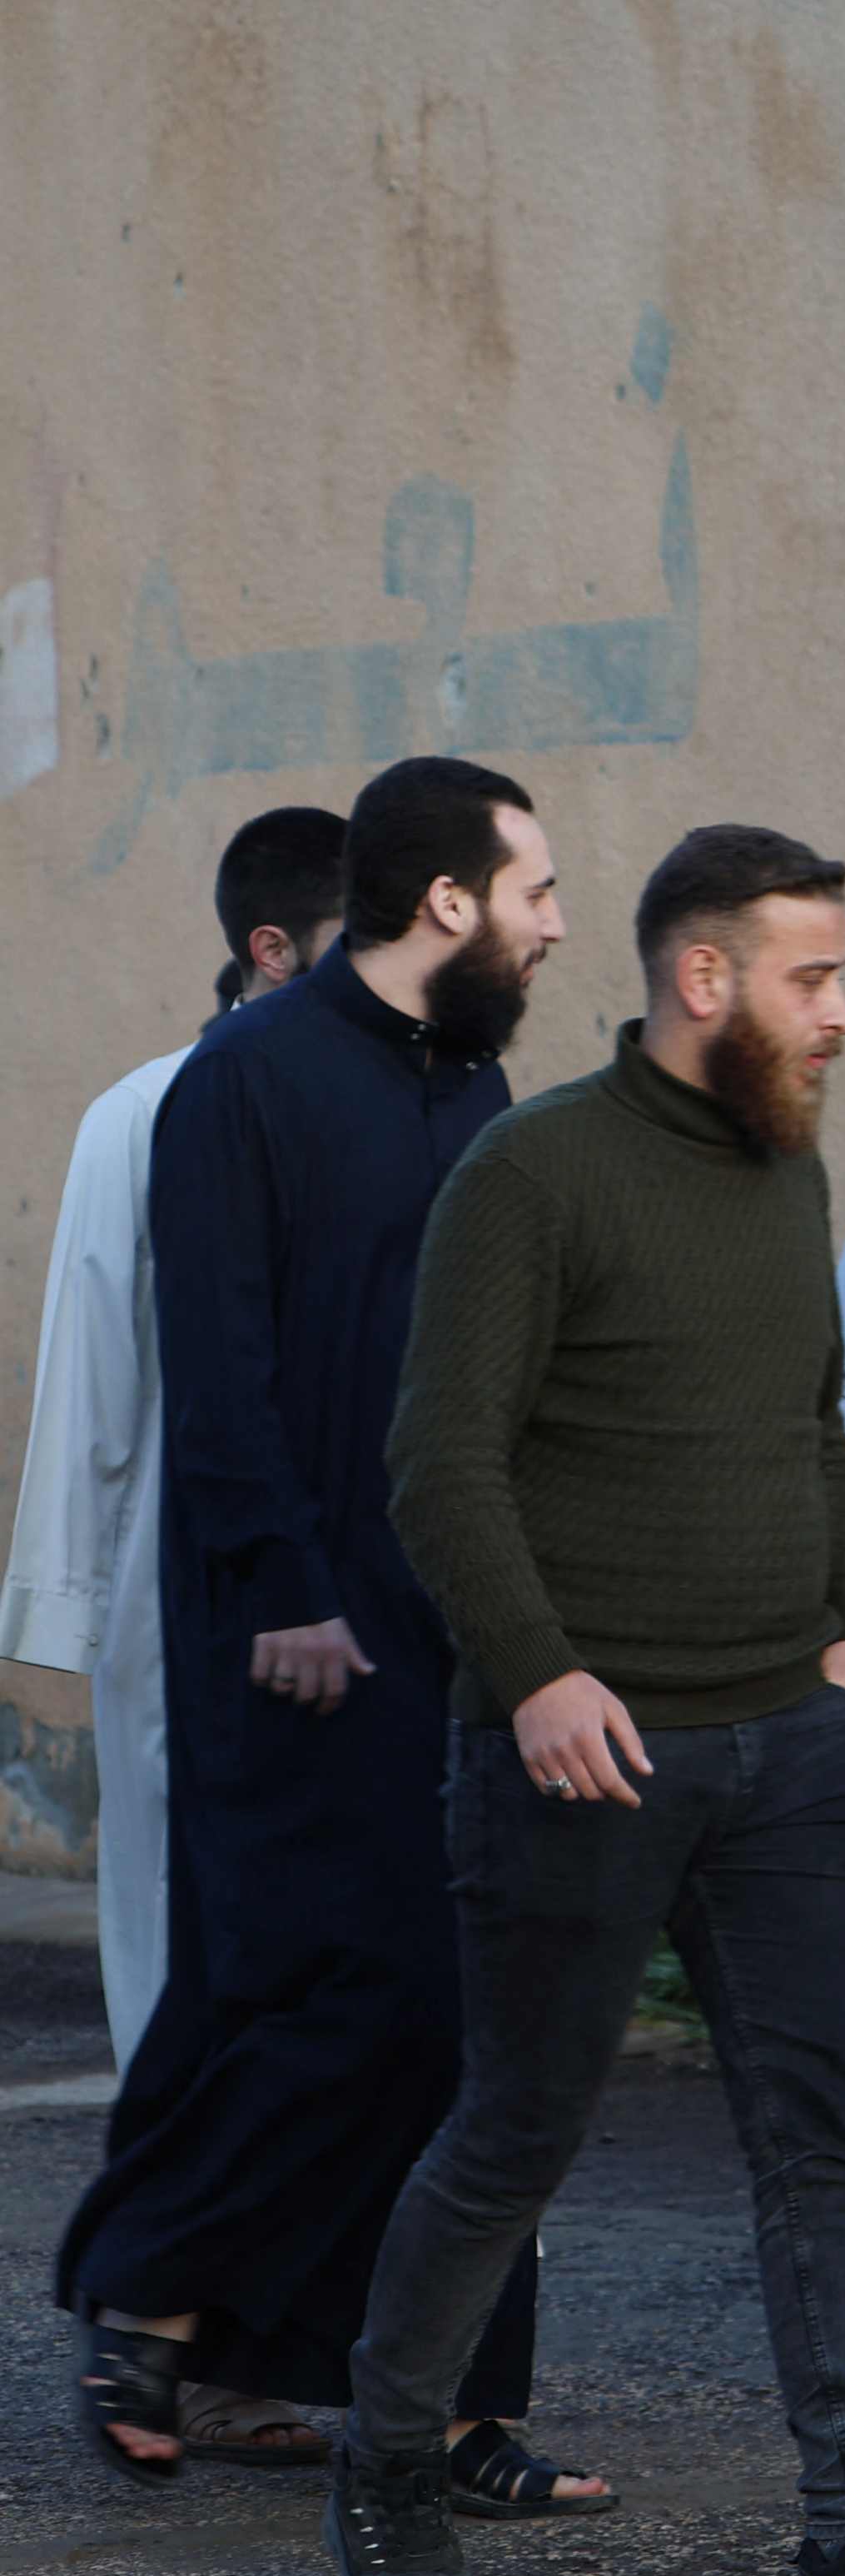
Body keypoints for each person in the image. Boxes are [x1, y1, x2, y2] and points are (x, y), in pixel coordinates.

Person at [331, 822, 845, 2576]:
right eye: (813, 977)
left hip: (788, 1752)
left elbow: (814, 1417)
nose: (842, 1014)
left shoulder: (780, 1173)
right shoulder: (533, 1173)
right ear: (706, 977)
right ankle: (393, 2454)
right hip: (583, 1752)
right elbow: (441, 1461)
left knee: (825, 2146)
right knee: (519, 2124)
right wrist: (538, 1674)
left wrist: (842, 1644)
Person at [57, 760, 585, 2506]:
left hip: (450, 1619)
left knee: (468, 2013)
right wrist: (285, 1585)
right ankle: (151, 2287)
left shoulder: (476, 1084)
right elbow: (213, 1368)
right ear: (449, 902)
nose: (558, 923)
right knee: (334, 1991)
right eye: (536, 890)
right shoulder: (245, 1082)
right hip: (290, 1633)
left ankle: (435, 2403)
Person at [5, 806, 349, 2066]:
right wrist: (72, 1615)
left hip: (364, 1586)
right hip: (177, 1585)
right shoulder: (144, 1113)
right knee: (176, 1929)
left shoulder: (403, 1105)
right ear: (270, 950)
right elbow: (93, 1367)